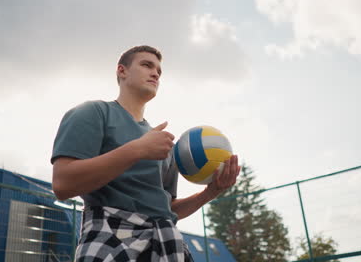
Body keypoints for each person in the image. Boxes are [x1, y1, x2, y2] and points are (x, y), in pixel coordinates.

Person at [51, 45, 240, 261]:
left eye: (159, 71)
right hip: (108, 237)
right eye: (146, 65)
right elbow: (62, 184)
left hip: (166, 243)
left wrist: (211, 191)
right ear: (122, 71)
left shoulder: (162, 144)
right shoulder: (93, 113)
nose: (155, 73)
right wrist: (137, 149)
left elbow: (167, 209)